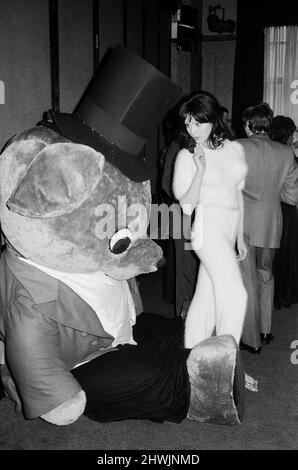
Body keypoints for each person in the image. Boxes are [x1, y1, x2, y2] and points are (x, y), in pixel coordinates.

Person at [172, 91, 248, 349]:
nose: (192, 129)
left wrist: (239, 237)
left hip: (228, 230)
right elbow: (187, 207)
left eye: (198, 122)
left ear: (214, 119)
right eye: (188, 123)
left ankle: (192, 354)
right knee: (236, 296)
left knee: (206, 300)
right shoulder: (186, 156)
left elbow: (238, 194)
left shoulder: (235, 148)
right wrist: (200, 170)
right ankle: (226, 361)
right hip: (207, 229)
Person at [238, 104, 298, 354]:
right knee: (265, 275)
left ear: (248, 124)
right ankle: (265, 329)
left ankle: (250, 339)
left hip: (242, 224)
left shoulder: (237, 148)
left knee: (245, 280)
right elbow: (292, 196)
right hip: (271, 224)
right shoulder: (285, 153)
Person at [270, 116, 298, 309]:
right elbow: (293, 194)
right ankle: (284, 296)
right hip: (287, 211)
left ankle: (273, 295)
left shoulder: (269, 152)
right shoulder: (289, 155)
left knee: (273, 256)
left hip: (269, 208)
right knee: (287, 255)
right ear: (287, 135)